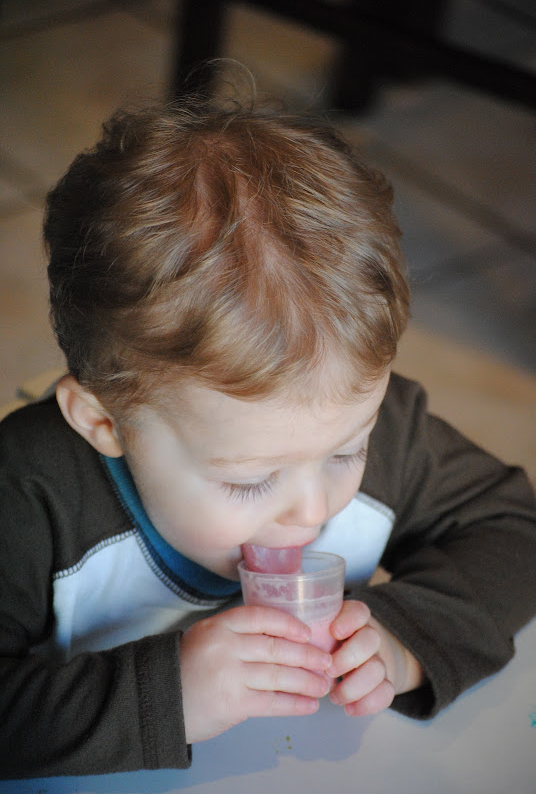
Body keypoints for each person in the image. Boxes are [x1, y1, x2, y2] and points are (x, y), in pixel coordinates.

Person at [1, 92, 535, 780]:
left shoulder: (388, 431)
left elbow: (514, 527)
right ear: (105, 423)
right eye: (251, 479)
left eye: (346, 451)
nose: (313, 510)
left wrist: (407, 632)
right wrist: (170, 697)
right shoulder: (27, 491)